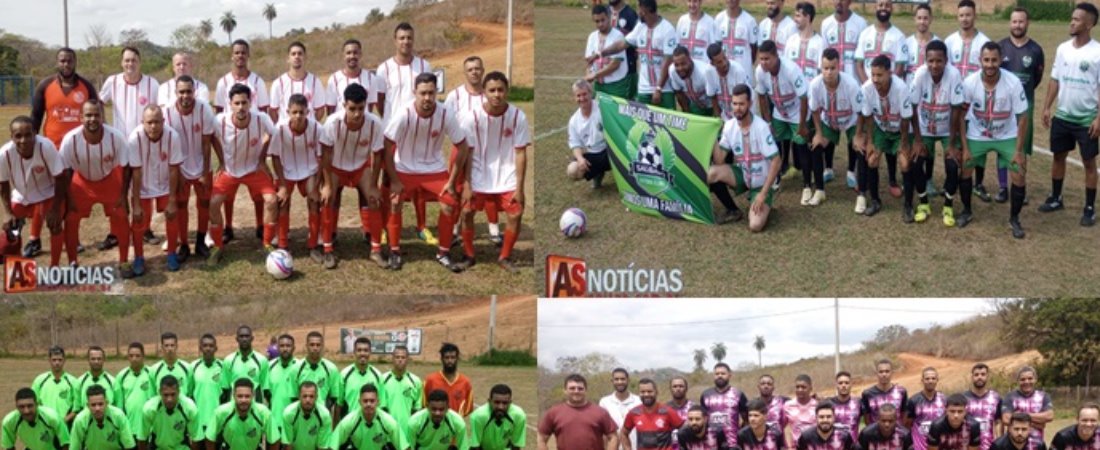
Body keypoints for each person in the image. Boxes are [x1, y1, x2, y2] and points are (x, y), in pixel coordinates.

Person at [381, 73, 469, 271]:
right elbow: (387, 146)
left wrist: (452, 180)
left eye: (431, 93)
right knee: (394, 202)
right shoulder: (404, 113)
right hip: (405, 168)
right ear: (415, 93)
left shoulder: (446, 113)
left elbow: (462, 146)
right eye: (423, 93)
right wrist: (394, 180)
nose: (427, 98)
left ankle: (443, 253)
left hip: (434, 170)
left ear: (436, 92)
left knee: (450, 203)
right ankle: (395, 251)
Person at [453, 71, 530, 272]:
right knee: (467, 211)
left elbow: (520, 153)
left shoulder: (518, 116)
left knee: (515, 213)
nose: (497, 94)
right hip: (478, 174)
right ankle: (469, 254)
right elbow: (467, 153)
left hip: (507, 175)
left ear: (507, 91)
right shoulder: (471, 118)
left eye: (501, 90)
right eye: (492, 90)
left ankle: (504, 256)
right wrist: (468, 184)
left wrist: (520, 188)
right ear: (484, 93)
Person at [27, 48, 97, 258]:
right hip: (50, 151)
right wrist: (33, 148)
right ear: (57, 62)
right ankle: (34, 239)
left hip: (77, 153)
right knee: (44, 196)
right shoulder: (45, 86)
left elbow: (96, 115)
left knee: (71, 197)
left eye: (70, 61)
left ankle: (72, 239)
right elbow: (35, 118)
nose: (66, 64)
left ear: (75, 62)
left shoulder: (86, 87)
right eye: (62, 61)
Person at [958, 42, 1030, 238]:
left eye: (994, 60)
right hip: (977, 135)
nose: (990, 64)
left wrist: (1017, 151)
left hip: (1007, 135)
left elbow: (1023, 117)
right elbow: (960, 117)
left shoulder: (1013, 82)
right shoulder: (969, 83)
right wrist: (965, 147)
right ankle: (966, 211)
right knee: (964, 168)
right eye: (986, 60)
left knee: (1019, 173)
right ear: (980, 60)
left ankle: (1014, 219)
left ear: (1000, 60)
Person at [59, 99, 138, 275]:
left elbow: (126, 167)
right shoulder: (70, 139)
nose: (92, 119)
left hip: (109, 179)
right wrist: (69, 198)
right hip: (82, 181)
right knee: (71, 219)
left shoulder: (116, 137)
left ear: (102, 117)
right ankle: (72, 262)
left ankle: (124, 261)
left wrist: (123, 195)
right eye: (88, 115)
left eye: (96, 115)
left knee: (121, 215)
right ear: (81, 117)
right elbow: (64, 172)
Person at [1039, 2, 1100, 226]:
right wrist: (1047, 106)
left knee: (1089, 163)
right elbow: (1055, 79)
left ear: (1089, 23)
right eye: (1072, 18)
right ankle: (1056, 198)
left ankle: (1089, 207)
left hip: (1086, 119)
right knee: (1058, 157)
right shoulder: (1063, 48)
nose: (1071, 22)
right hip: (1063, 117)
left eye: (1077, 19)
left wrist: (1098, 118)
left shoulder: (1097, 52)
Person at [205, 84, 279, 266]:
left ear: (250, 102)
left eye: (244, 103)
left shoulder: (261, 118)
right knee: (213, 204)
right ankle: (218, 247)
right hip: (230, 171)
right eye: (236, 103)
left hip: (254, 170)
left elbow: (272, 134)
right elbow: (211, 137)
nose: (241, 107)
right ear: (230, 104)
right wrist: (221, 160)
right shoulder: (220, 120)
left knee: (271, 200)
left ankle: (268, 243)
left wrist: (262, 159)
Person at [378, 22, 436, 246]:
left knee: (420, 178)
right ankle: (385, 226)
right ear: (395, 40)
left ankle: (422, 226)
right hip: (394, 131)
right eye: (401, 38)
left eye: (409, 38)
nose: (406, 42)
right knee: (388, 179)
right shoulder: (384, 68)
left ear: (414, 39)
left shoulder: (424, 65)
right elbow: (381, 101)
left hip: (419, 130)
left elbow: (427, 96)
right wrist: (395, 123)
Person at [318, 83, 387, 268]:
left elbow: (378, 155)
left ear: (366, 105)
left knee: (373, 199)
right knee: (327, 199)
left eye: (361, 108)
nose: (357, 113)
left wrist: (373, 184)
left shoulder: (375, 123)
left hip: (361, 168)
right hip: (336, 168)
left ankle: (376, 249)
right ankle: (327, 250)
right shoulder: (332, 123)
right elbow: (325, 155)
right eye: (352, 109)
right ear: (344, 106)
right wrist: (326, 184)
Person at [99, 46, 158, 253]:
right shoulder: (112, 82)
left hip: (144, 144)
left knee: (143, 188)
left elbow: (158, 112)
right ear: (121, 63)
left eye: (133, 60)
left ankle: (146, 228)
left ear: (139, 61)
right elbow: (98, 103)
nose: (129, 64)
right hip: (119, 146)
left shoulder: (152, 83)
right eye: (126, 60)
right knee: (118, 190)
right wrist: (105, 128)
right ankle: (115, 232)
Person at [213, 39, 270, 245]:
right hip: (231, 144)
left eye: (243, 52)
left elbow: (264, 115)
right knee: (228, 193)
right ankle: (228, 227)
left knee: (258, 193)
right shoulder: (222, 83)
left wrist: (262, 150)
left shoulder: (258, 82)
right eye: (236, 52)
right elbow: (218, 115)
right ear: (232, 55)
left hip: (253, 142)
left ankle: (259, 225)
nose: (240, 56)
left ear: (248, 55)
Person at [709, 84, 783, 230]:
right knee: (711, 173)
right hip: (743, 175)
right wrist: (712, 137)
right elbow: (719, 160)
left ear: (750, 103)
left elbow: (776, 160)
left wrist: (763, 194)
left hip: (761, 184)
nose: (737, 108)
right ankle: (733, 210)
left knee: (755, 225)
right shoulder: (729, 126)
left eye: (742, 104)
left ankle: (763, 202)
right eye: (734, 104)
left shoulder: (761, 127)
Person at [444, 56, 501, 246]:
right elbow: (446, 121)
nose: (474, 72)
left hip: (487, 149)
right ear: (465, 73)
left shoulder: (490, 94)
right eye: (470, 69)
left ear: (483, 70)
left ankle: (494, 229)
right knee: (457, 188)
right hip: (461, 149)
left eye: (477, 68)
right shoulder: (455, 96)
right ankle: (454, 229)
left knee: (490, 186)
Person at [855, 0, 909, 198]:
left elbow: (901, 66)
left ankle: (893, 180)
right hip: (873, 90)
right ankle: (870, 187)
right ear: (875, 7)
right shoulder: (865, 34)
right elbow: (859, 64)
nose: (883, 8)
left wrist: (886, 83)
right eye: (880, 5)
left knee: (894, 133)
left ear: (892, 8)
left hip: (891, 90)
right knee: (877, 141)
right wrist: (870, 86)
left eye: (887, 5)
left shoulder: (899, 36)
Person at [908, 40, 964, 226]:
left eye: (939, 61)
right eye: (930, 61)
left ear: (946, 60)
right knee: (915, 162)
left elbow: (956, 109)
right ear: (925, 60)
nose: (934, 65)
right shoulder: (920, 74)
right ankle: (923, 203)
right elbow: (913, 108)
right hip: (925, 127)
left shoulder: (954, 75)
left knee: (953, 164)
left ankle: (948, 205)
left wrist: (951, 143)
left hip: (947, 127)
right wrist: (917, 139)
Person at [0, 116, 68, 267]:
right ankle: (17, 267)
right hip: (22, 195)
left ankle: (54, 267)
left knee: (55, 225)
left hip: (48, 192)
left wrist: (56, 209)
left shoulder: (46, 147)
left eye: (28, 135)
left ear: (35, 133)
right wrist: (8, 212)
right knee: (12, 228)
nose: (23, 140)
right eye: (18, 136)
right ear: (11, 136)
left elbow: (60, 178)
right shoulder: (4, 154)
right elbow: (3, 185)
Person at [163, 75, 217, 263]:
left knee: (204, 203)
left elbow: (206, 143)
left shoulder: (204, 109)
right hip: (180, 166)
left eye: (189, 91)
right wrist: (177, 172)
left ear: (194, 91)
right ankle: (184, 244)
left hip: (202, 164)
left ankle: (201, 241)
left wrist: (204, 173)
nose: (185, 95)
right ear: (175, 93)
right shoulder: (167, 113)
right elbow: (168, 146)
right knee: (181, 205)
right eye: (181, 92)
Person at [945, 0, 995, 202]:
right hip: (956, 101)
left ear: (975, 16)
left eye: (968, 15)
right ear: (957, 17)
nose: (965, 19)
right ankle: (953, 181)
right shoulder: (949, 42)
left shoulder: (985, 41)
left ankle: (979, 183)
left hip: (977, 102)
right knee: (955, 139)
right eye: (961, 15)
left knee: (978, 141)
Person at [127, 105, 183, 275]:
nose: (153, 126)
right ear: (142, 122)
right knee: (138, 221)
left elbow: (174, 169)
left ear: (163, 122)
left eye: (157, 122)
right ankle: (138, 257)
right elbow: (135, 172)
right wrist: (136, 203)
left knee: (172, 217)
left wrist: (173, 200)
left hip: (165, 184)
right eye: (149, 122)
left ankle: (172, 253)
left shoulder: (172, 136)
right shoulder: (134, 138)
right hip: (142, 185)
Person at [854, 56, 913, 218]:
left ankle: (908, 205)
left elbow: (906, 118)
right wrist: (871, 141)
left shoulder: (901, 88)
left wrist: (904, 143)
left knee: (905, 162)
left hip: (899, 130)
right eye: (873, 74)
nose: (875, 79)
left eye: (879, 75)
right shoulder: (866, 88)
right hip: (881, 129)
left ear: (890, 73)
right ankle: (875, 201)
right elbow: (868, 116)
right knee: (872, 159)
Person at [269, 94, 324, 262]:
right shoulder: (279, 129)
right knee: (283, 202)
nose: (298, 116)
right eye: (294, 112)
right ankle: (283, 245)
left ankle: (313, 244)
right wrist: (283, 186)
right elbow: (275, 156)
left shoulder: (316, 128)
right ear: (287, 112)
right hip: (287, 171)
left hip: (309, 171)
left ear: (308, 111)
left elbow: (321, 158)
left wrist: (316, 187)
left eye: (302, 112)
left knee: (314, 201)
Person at [999, 7, 1045, 206]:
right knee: (1002, 146)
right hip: (1003, 106)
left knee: (1021, 148)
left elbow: (1037, 78)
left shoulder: (1035, 50)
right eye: (1014, 21)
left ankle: (1020, 189)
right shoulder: (1001, 47)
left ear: (1028, 23)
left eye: (1021, 21)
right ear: (1010, 23)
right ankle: (1002, 187)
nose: (1017, 25)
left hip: (1025, 105)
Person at [820, 0, 867, 186]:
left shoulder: (860, 23)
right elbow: (824, 56)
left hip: (852, 83)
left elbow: (861, 56)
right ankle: (828, 167)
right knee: (830, 120)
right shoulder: (826, 24)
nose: (839, 2)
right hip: (831, 82)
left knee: (852, 126)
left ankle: (851, 170)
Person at [599, 0, 678, 108]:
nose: (638, 12)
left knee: (668, 122)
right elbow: (622, 44)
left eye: (639, 8)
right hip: (644, 89)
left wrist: (658, 88)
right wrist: (602, 52)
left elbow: (668, 60)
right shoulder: (640, 26)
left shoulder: (667, 29)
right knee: (642, 123)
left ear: (645, 10)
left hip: (664, 89)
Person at [755, 40, 809, 194]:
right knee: (775, 146)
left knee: (801, 146)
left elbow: (804, 97)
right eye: (761, 59)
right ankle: (775, 178)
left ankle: (806, 185)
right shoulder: (759, 71)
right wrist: (768, 122)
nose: (764, 63)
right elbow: (761, 96)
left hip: (797, 112)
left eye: (767, 59)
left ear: (776, 56)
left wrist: (803, 124)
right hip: (778, 113)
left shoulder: (791, 70)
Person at [809, 48, 861, 207]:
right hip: (829, 120)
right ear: (820, 68)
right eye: (825, 68)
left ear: (839, 67)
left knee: (858, 145)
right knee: (816, 146)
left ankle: (853, 174)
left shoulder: (851, 84)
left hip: (850, 119)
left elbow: (860, 112)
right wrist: (818, 133)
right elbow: (815, 110)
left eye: (833, 68)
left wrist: (858, 135)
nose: (829, 72)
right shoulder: (815, 84)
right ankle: (819, 190)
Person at [537, 374, 619, 450]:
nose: (576, 391)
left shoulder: (600, 412)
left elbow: (613, 437)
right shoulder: (554, 412)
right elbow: (541, 438)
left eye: (580, 388)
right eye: (572, 388)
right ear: (565, 390)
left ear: (586, 390)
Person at [206, 379, 279, 450]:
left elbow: (274, 440)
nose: (243, 400)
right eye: (240, 396)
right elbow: (210, 438)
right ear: (234, 396)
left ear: (253, 395)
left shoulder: (264, 413)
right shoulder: (220, 412)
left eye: (247, 396)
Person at [331, 385, 406, 450]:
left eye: (372, 401)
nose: (368, 404)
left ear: (378, 402)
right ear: (359, 402)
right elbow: (332, 446)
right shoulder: (348, 422)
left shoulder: (388, 421)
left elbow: (404, 447)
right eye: (365, 401)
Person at [567, 80, 611, 188]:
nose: (582, 98)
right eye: (578, 96)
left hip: (610, 150)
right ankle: (597, 174)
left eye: (584, 94)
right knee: (573, 170)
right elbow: (575, 144)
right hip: (594, 154)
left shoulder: (603, 108)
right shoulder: (574, 120)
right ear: (574, 97)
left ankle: (625, 181)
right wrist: (581, 159)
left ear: (591, 93)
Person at [269, 42, 327, 123]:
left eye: (300, 54)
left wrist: (308, 125)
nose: (297, 56)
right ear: (288, 59)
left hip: (308, 132)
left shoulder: (315, 82)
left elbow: (320, 110)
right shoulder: (278, 83)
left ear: (305, 57)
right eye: (293, 54)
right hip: (286, 133)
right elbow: (273, 112)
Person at [137, 375, 200, 450]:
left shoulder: (190, 408)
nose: (169, 399)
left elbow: (196, 438)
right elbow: (142, 438)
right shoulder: (149, 409)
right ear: (160, 392)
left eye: (173, 394)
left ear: (179, 392)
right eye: (166, 395)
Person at [620, 378, 684, 450]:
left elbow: (685, 431)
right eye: (643, 392)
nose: (646, 394)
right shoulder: (633, 413)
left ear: (656, 392)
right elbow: (623, 433)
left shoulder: (668, 411)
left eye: (649, 391)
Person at [326, 39, 385, 117]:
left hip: (362, 125)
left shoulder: (371, 78)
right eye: (348, 53)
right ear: (343, 55)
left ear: (360, 54)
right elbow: (330, 109)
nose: (352, 56)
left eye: (355, 53)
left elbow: (370, 106)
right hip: (341, 127)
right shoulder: (334, 79)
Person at [69, 385, 136, 450]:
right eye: (93, 405)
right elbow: (74, 447)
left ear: (106, 403)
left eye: (100, 404)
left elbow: (129, 445)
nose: (97, 408)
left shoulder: (118, 416)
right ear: (88, 405)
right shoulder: (80, 420)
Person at [1000, 367, 1054, 446]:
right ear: (1018, 381)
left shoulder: (1043, 396)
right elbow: (1006, 419)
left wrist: (1020, 415)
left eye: (1030, 378)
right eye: (1023, 379)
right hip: (1013, 445)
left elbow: (1049, 416)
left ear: (1035, 379)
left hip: (1036, 444)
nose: (1026, 382)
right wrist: (1038, 424)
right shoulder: (1010, 397)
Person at [1, 388, 69, 450]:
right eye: (21, 407)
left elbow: (66, 444)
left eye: (30, 406)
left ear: (36, 404)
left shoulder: (52, 418)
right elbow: (9, 446)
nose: (26, 411)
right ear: (16, 407)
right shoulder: (9, 422)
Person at [587, 5, 631, 99]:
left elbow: (615, 64)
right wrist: (588, 77)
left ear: (609, 17)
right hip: (598, 85)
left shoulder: (618, 36)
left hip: (616, 86)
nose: (600, 24)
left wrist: (594, 75)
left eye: (603, 20)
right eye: (597, 21)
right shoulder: (592, 37)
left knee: (614, 113)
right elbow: (589, 61)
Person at [700, 363, 749, 448]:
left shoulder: (738, 394)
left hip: (733, 443)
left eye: (723, 373)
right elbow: (702, 419)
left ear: (729, 375)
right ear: (713, 376)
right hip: (710, 442)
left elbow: (746, 418)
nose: (720, 376)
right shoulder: (705, 395)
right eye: (717, 374)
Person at [294, 331, 341, 417]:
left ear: (322, 347)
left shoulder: (331, 369)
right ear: (306, 346)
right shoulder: (296, 368)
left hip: (323, 419)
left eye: (318, 345)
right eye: (312, 345)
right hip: (301, 419)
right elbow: (293, 397)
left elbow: (335, 399)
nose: (315, 348)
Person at [339, 337, 385, 420]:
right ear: (354, 352)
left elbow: (381, 405)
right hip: (350, 425)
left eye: (365, 350)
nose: (362, 353)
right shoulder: (344, 375)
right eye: (359, 350)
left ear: (370, 352)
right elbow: (339, 405)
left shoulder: (378, 375)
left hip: (372, 426)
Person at [422, 343, 474, 417]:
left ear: (457, 359)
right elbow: (424, 405)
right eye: (447, 357)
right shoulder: (430, 380)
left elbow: (468, 408)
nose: (450, 361)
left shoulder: (465, 382)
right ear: (442, 359)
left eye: (453, 357)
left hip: (455, 426)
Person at [469, 384, 527, 450]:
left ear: (510, 402)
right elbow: (475, 446)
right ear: (489, 401)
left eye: (505, 403)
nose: (500, 407)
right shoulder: (478, 417)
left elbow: (516, 445)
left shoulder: (518, 416)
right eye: (497, 402)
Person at [714, 0, 759, 85]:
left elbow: (754, 48)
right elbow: (718, 45)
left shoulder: (750, 21)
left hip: (744, 71)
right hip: (725, 71)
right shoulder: (719, 19)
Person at [190, 333, 224, 443]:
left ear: (216, 348)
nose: (208, 348)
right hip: (198, 421)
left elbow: (227, 394)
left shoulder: (223, 367)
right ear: (200, 348)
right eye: (205, 345)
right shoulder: (193, 367)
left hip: (217, 421)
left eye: (211, 346)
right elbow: (189, 395)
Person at [31, 346, 78, 424]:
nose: (57, 363)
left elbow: (77, 407)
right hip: (44, 424)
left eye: (60, 360)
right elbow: (34, 402)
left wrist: (65, 420)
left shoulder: (73, 381)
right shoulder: (40, 380)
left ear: (64, 361)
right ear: (49, 360)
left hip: (66, 425)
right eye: (54, 360)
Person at [708, 43, 754, 122]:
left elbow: (742, 99)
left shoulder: (738, 71)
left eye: (725, 58)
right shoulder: (708, 72)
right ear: (712, 64)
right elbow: (713, 97)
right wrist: (718, 118)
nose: (724, 63)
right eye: (719, 62)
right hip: (726, 113)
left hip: (744, 110)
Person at [669, 46, 720, 116]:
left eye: (683, 64)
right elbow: (678, 92)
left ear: (690, 59)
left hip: (713, 104)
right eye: (676, 65)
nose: (680, 68)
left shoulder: (704, 72)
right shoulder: (672, 70)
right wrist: (687, 113)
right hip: (695, 105)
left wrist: (716, 115)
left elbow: (715, 96)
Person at [380, 345, 422, 430]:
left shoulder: (416, 381)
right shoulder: (383, 380)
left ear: (407, 360)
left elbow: (417, 410)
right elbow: (382, 409)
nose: (400, 360)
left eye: (403, 357)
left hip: (408, 431)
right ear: (392, 359)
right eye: (397, 357)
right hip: (388, 431)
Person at [280, 382, 333, 450]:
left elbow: (322, 447)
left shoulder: (324, 416)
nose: (308, 400)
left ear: (316, 397)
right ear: (299, 397)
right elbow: (288, 445)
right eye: (304, 396)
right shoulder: (289, 414)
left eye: (311, 396)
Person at [265, 334, 300, 433]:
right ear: (278, 348)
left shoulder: (300, 366)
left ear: (294, 348)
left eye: (288, 346)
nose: (285, 349)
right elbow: (267, 393)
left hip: (295, 423)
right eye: (282, 346)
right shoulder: (269, 367)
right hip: (275, 422)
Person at [963, 364, 1003, 450]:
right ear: (972, 377)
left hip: (989, 446)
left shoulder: (996, 397)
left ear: (987, 376)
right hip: (967, 446)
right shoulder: (963, 398)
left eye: (983, 374)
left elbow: (998, 422)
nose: (979, 377)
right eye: (976, 375)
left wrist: (999, 442)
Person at [115, 342, 154, 432]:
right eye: (131, 356)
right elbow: (119, 405)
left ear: (143, 356)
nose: (134, 359)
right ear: (128, 357)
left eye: (137, 356)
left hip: (149, 428)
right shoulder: (121, 376)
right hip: (129, 428)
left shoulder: (152, 373)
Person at [905, 367, 947, 450]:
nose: (930, 381)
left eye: (933, 378)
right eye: (927, 378)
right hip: (919, 447)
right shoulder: (913, 400)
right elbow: (908, 424)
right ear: (922, 381)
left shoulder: (944, 399)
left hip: (939, 446)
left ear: (937, 380)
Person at [600, 367, 642, 449]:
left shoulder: (639, 401)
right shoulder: (604, 402)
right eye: (616, 379)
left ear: (628, 380)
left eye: (623, 379)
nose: (620, 382)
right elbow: (603, 432)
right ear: (612, 381)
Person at [222, 325, 269, 398]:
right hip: (234, 406)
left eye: (247, 336)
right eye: (241, 336)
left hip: (254, 406)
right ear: (237, 339)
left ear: (252, 338)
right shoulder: (228, 360)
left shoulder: (262, 360)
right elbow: (225, 389)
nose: (244, 339)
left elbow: (266, 389)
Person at [607, 0, 640, 97]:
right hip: (606, 69)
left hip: (627, 70)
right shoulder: (605, 12)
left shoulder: (631, 14)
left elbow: (637, 42)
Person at [861, 359, 908, 425]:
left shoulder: (901, 392)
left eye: (887, 371)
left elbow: (904, 415)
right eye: (881, 372)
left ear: (892, 373)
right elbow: (867, 419)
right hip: (875, 434)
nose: (884, 374)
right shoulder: (867, 394)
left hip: (897, 433)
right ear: (876, 373)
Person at [149, 332, 192, 401]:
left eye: (172, 345)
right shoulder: (154, 370)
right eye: (166, 345)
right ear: (162, 347)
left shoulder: (187, 368)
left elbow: (190, 391)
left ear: (176, 346)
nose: (170, 349)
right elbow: (153, 395)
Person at [74, 346, 117, 411]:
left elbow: (118, 408)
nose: (96, 361)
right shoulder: (80, 382)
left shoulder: (113, 382)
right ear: (88, 360)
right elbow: (77, 408)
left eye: (99, 359)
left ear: (104, 360)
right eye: (93, 359)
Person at [905, 5, 940, 84]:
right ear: (915, 19)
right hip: (909, 89)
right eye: (919, 18)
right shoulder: (906, 43)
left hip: (930, 88)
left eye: (925, 18)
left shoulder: (938, 43)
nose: (922, 22)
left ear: (931, 19)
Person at [677, 0, 719, 65]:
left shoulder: (710, 22)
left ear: (700, 2)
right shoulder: (682, 20)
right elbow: (677, 44)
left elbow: (713, 47)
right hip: (685, 68)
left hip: (703, 68)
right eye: (689, 1)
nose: (692, 5)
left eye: (695, 1)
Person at [782, 375, 818, 448]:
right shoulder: (788, 405)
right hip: (796, 446)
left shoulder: (817, 405)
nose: (800, 390)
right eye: (797, 387)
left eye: (803, 387)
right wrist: (789, 446)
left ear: (810, 388)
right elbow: (784, 427)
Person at [829, 371, 863, 436]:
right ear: (836, 385)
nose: (843, 385)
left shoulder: (858, 403)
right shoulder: (829, 403)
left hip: (853, 444)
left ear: (851, 385)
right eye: (840, 383)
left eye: (847, 383)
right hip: (834, 444)